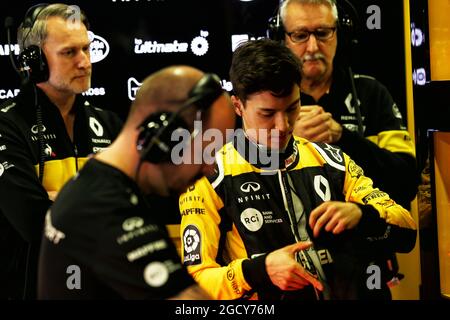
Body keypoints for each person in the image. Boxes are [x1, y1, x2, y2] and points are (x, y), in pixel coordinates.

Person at [179, 38, 416, 300]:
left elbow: (407, 233)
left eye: (292, 108)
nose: (282, 125)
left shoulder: (331, 161)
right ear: (238, 105)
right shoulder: (209, 177)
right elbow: (195, 282)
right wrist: (260, 270)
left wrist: (362, 215)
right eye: (267, 114)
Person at [37, 65, 236, 299]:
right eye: (207, 152)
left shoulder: (101, 184)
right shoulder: (106, 208)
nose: (210, 167)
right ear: (163, 137)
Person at [0, 4, 123, 299]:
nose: (85, 62)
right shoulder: (6, 126)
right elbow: (33, 222)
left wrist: (60, 201)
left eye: (87, 49)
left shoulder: (108, 123)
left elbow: (133, 213)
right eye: (69, 52)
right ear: (35, 61)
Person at [276, 0, 418, 210]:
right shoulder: (267, 101)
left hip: (364, 235)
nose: (313, 46)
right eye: (300, 35)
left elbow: (406, 182)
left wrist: (343, 137)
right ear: (282, 38)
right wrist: (286, 142)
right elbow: (240, 184)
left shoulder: (371, 93)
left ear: (340, 34)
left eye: (323, 33)